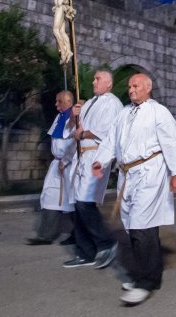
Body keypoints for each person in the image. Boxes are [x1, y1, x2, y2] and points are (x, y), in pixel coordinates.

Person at [93, 73, 176, 306]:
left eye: (136, 85)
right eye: (129, 86)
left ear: (148, 88)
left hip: (150, 173)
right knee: (135, 227)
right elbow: (110, 140)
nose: (131, 89)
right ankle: (150, 276)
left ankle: (144, 282)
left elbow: (171, 142)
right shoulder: (124, 114)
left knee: (141, 226)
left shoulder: (158, 112)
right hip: (128, 175)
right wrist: (101, 160)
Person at [64, 69, 123, 269]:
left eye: (98, 79)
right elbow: (74, 130)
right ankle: (85, 252)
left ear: (109, 84)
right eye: (94, 78)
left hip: (97, 155)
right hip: (81, 156)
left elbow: (106, 131)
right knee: (77, 203)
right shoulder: (88, 103)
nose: (94, 82)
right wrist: (73, 116)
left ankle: (106, 242)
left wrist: (82, 134)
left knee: (84, 202)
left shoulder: (113, 103)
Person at [29, 91, 77, 245]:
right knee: (50, 196)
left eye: (59, 101)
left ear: (68, 101)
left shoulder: (75, 118)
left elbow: (75, 143)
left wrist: (66, 160)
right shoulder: (59, 117)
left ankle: (79, 235)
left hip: (70, 165)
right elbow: (56, 141)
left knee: (74, 201)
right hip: (57, 163)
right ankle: (45, 235)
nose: (56, 105)